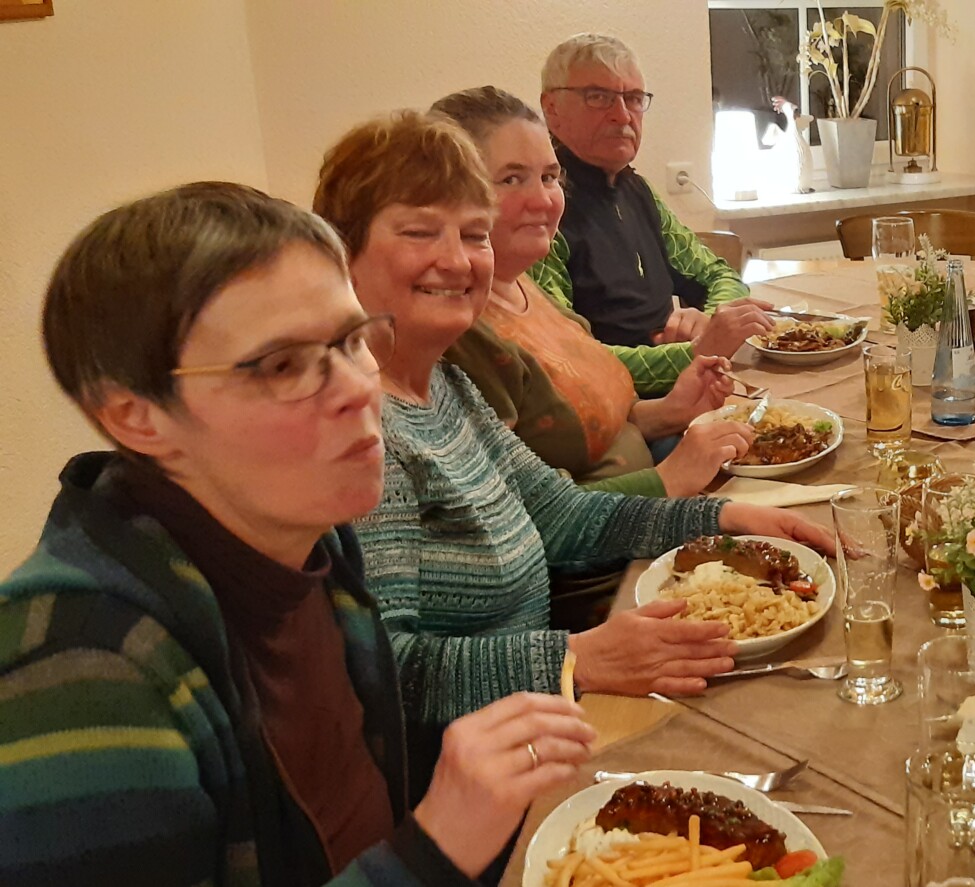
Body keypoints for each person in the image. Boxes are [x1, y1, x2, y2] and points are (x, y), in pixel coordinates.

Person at [0, 182, 594, 884]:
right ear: (136, 417)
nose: (358, 388)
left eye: (351, 340)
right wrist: (436, 846)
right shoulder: (79, 671)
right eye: (283, 364)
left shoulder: (315, 543)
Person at [310, 112, 835, 738]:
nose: (457, 260)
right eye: (420, 232)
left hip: (543, 716)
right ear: (342, 253)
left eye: (475, 234)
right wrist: (575, 658)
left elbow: (561, 516)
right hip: (478, 762)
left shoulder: (445, 386)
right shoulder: (362, 430)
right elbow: (384, 673)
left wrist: (722, 519)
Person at [431, 86, 749, 498]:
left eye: (549, 177)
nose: (543, 200)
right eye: (511, 179)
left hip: (655, 466)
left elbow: (600, 424)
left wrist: (670, 412)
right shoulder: (461, 332)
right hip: (625, 523)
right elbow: (528, 513)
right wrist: (669, 478)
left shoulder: (526, 286)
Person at [538, 32, 772, 392]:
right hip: (624, 413)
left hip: (690, 388)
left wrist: (710, 321)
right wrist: (695, 353)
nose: (622, 115)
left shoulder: (637, 190)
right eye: (598, 97)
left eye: (633, 99)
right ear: (552, 109)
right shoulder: (540, 211)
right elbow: (566, 361)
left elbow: (718, 274)